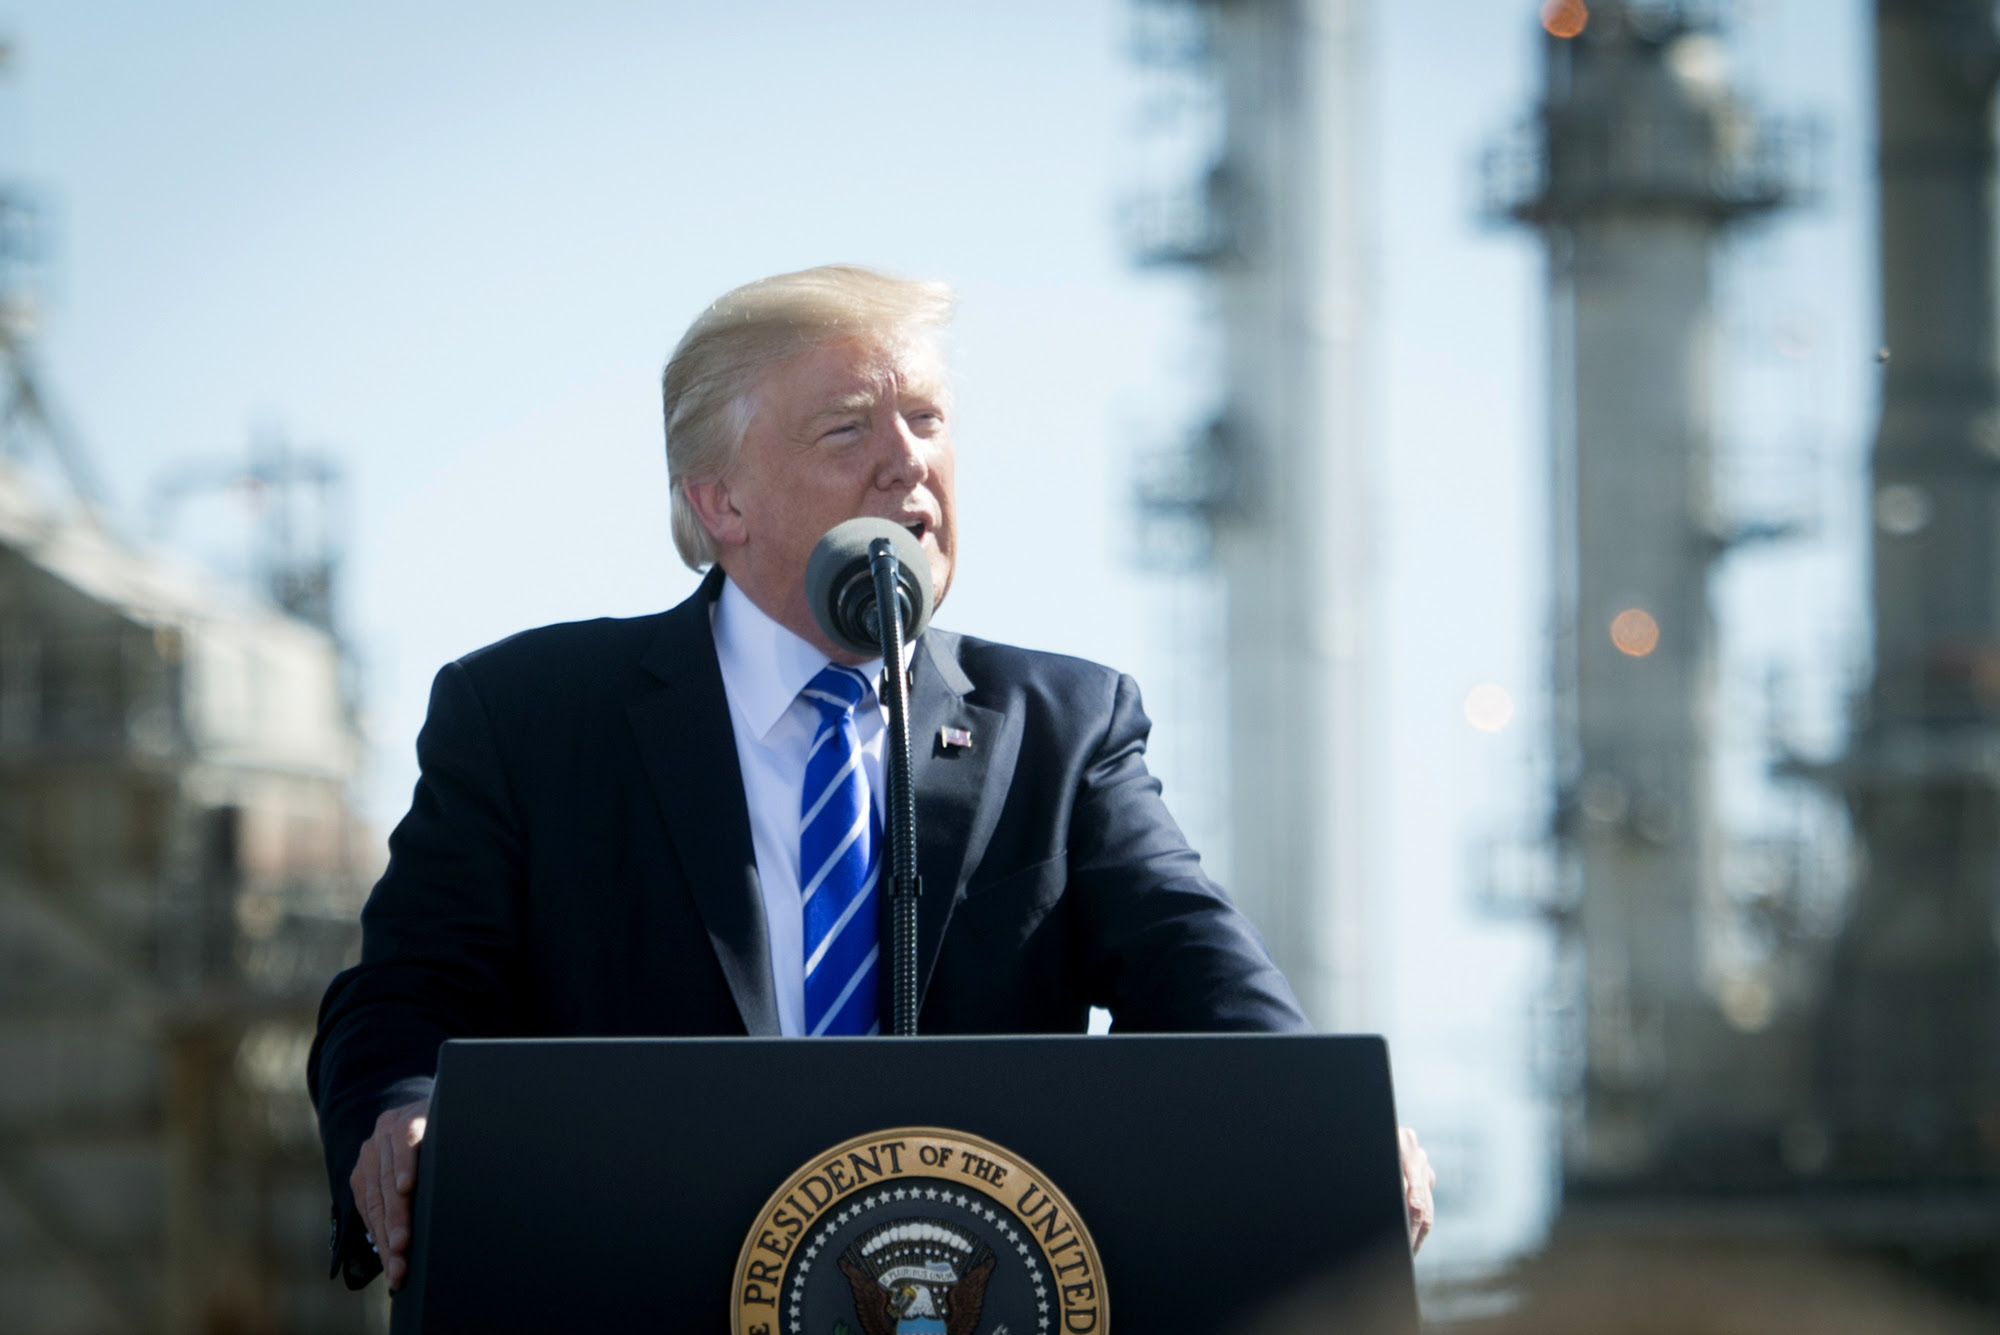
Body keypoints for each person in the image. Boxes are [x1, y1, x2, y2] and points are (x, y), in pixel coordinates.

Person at [307, 265, 1435, 1292]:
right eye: (847, 429)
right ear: (720, 503)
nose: (909, 460)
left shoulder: (1062, 729)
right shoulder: (530, 717)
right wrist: (404, 1117)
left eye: (928, 418)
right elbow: (403, 995)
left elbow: (1208, 990)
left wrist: (1327, 1127)